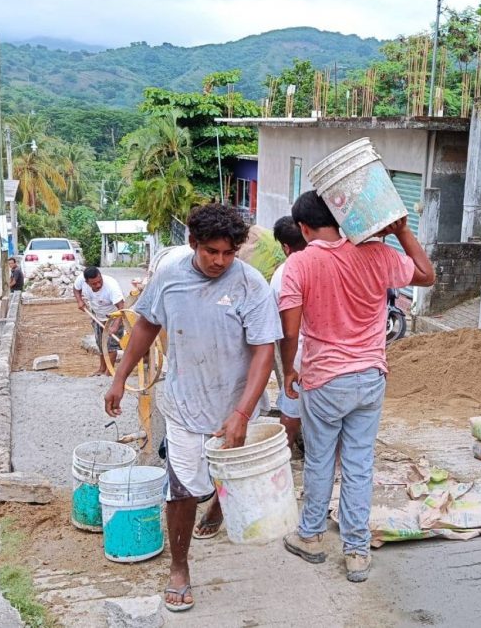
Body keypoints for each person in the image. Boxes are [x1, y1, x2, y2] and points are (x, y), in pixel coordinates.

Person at [103, 203, 281, 613]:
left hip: (237, 406)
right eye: (211, 252)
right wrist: (119, 378)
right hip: (184, 406)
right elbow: (147, 323)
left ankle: (218, 504)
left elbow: (262, 353)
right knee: (181, 491)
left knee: (229, 476)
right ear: (193, 243)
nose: (220, 261)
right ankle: (180, 568)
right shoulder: (169, 277)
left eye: (229, 253)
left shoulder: (252, 286)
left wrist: (241, 414)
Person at [278, 191, 434, 583]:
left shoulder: (300, 264)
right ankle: (357, 552)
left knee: (320, 461)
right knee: (359, 465)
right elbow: (427, 275)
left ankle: (311, 536)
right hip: (369, 377)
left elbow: (290, 330)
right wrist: (403, 232)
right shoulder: (377, 254)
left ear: (303, 227)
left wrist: (287, 372)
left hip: (324, 379)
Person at [269, 216, 307, 450]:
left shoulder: (283, 274)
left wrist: (287, 366)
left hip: (296, 352)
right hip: (328, 354)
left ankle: (286, 451)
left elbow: (287, 330)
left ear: (285, 247)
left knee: (291, 402)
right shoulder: (326, 263)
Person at [73, 266, 126, 376]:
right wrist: (79, 301)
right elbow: (76, 288)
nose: (98, 285)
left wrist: (116, 326)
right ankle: (102, 369)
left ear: (101, 276)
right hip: (97, 315)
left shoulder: (111, 286)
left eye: (99, 281)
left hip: (114, 316)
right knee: (101, 344)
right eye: (94, 284)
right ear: (87, 282)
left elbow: (122, 308)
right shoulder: (80, 280)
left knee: (111, 346)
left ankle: (108, 373)